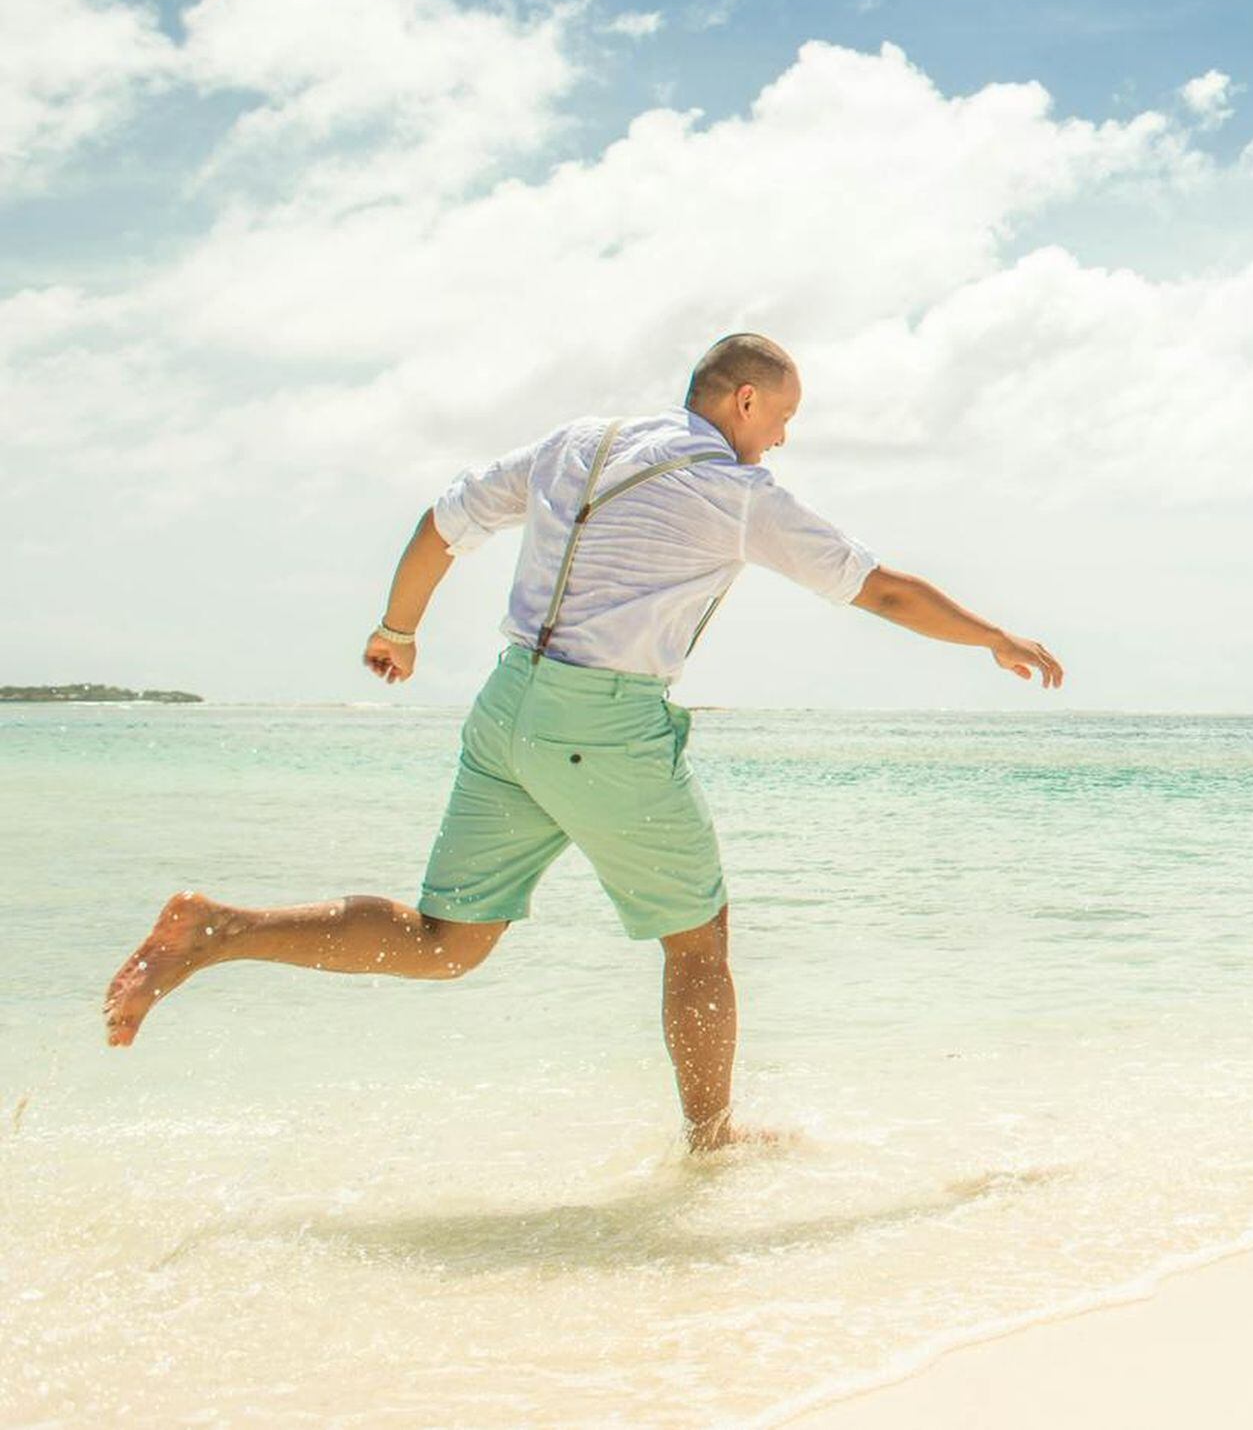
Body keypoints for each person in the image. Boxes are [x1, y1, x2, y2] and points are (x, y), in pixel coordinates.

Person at [102, 332, 1064, 1148]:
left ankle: (218, 930)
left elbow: (445, 523)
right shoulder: (737, 492)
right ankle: (711, 1147)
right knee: (698, 944)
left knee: (446, 946)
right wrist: (994, 636)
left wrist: (397, 631)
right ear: (740, 399)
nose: (783, 436)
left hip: (508, 707)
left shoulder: (580, 443)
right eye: (781, 415)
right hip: (603, 729)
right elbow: (882, 589)